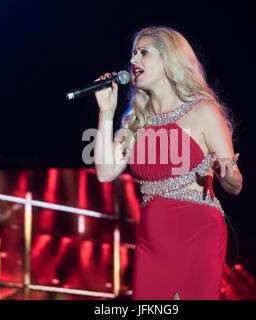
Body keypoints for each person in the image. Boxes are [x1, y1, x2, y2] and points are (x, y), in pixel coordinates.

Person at [93, 26, 243, 300]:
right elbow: (104, 172)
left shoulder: (203, 112)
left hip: (198, 231)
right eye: (133, 54)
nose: (133, 60)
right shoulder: (136, 122)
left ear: (167, 60)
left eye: (143, 52)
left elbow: (235, 185)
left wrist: (227, 173)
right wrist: (106, 112)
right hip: (152, 238)